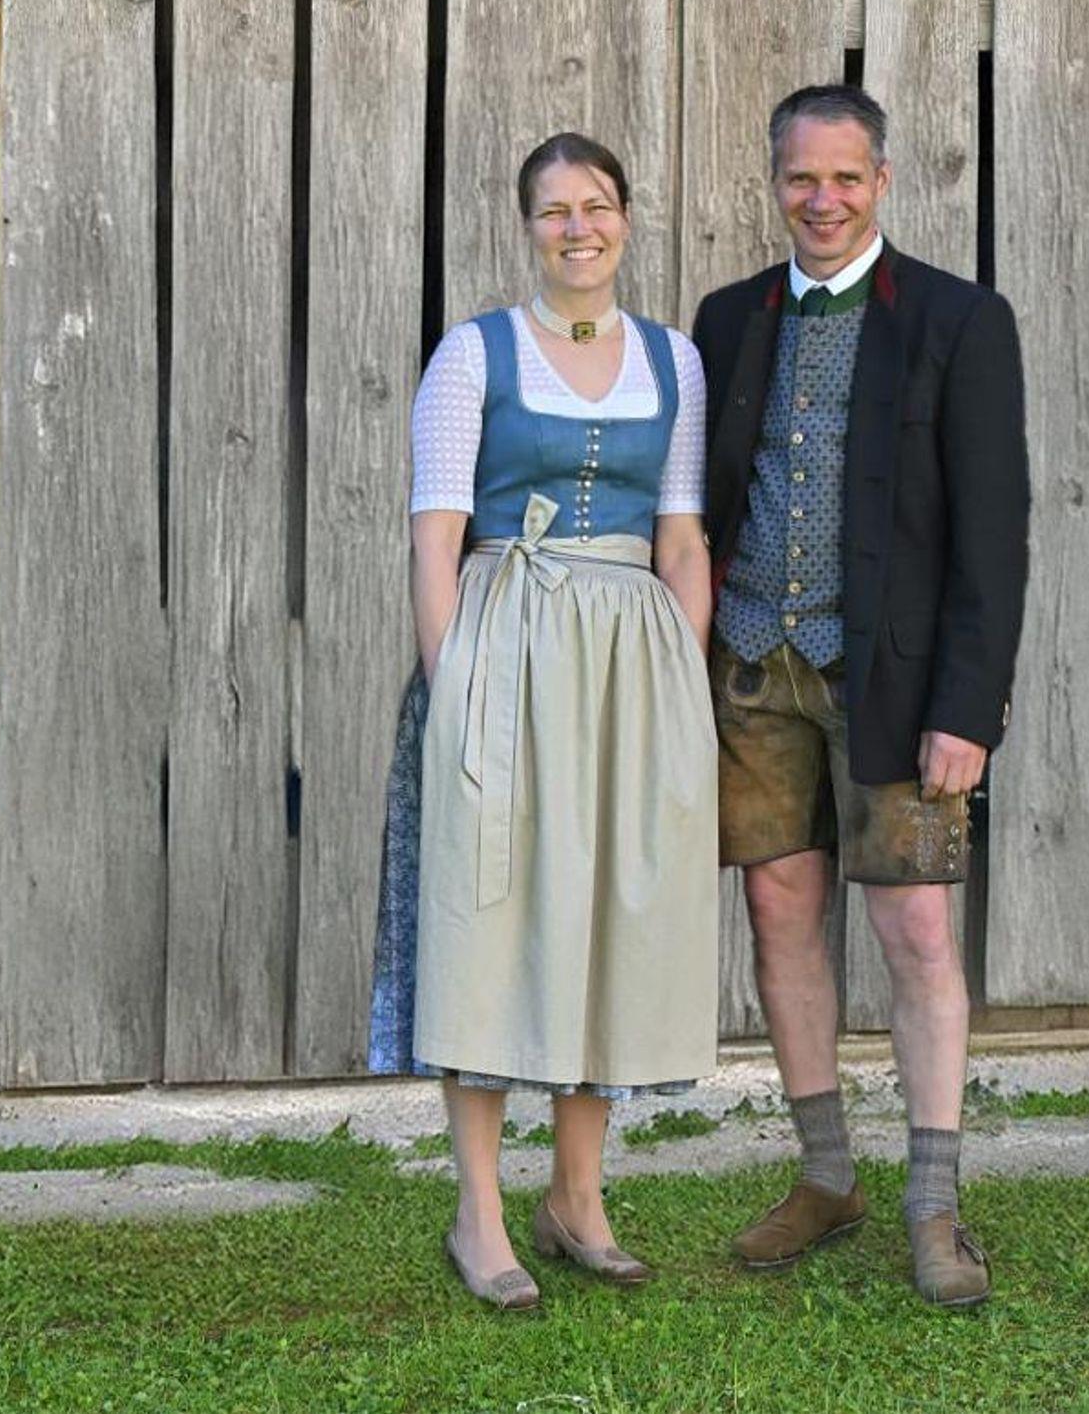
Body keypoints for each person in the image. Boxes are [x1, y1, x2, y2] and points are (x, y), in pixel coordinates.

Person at [367, 133, 718, 1312]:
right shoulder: (473, 354)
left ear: (626, 217)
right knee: (491, 919)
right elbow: (434, 535)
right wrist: (452, 684)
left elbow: (681, 538)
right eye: (555, 210)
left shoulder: (673, 360)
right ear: (527, 227)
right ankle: (477, 1208)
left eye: (597, 204)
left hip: (630, 660)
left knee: (606, 914)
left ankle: (576, 1194)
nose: (578, 227)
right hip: (505, 645)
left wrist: (682, 687)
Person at [690, 85, 1029, 1307]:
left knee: (915, 929)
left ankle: (932, 1204)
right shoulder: (727, 318)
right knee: (779, 912)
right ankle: (825, 1173)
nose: (821, 199)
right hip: (753, 667)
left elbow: (994, 531)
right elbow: (704, 501)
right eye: (800, 178)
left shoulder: (957, 318)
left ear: (881, 180)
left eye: (843, 177)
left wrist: (969, 708)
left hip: (895, 681)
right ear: (774, 183)